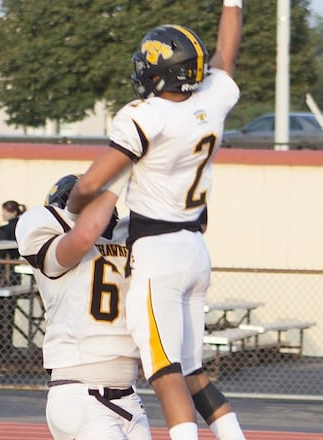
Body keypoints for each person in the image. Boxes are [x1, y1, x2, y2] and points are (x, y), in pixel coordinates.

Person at [66, 2, 245, 439]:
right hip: (195, 249)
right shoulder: (213, 100)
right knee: (194, 372)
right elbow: (226, 54)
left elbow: (91, 183)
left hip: (158, 252)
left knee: (164, 372)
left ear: (161, 72)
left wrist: (72, 205)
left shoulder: (146, 117)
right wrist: (233, 5)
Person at [15, 174, 149, 440]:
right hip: (79, 391)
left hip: (129, 395)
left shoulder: (126, 234)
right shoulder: (51, 231)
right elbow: (81, 237)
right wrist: (121, 168)